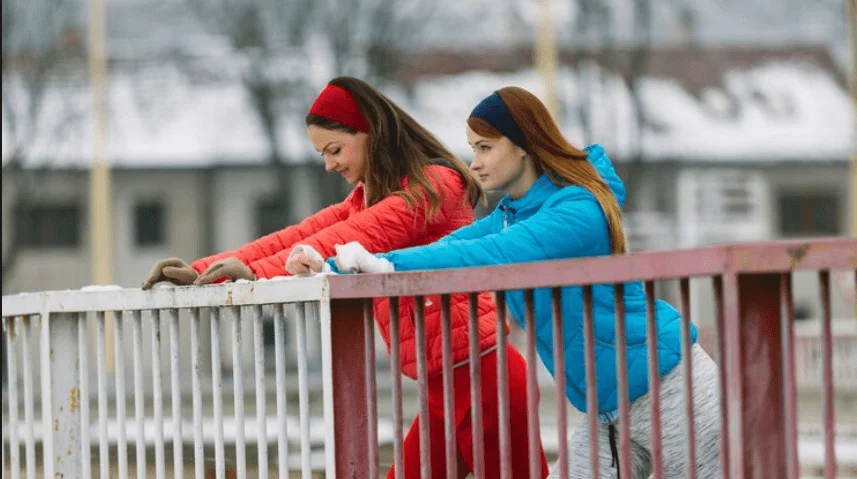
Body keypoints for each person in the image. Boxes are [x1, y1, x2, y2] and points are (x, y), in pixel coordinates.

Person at [141, 77, 548, 479]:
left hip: (483, 379)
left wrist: (255, 273)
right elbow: (297, 236)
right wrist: (201, 271)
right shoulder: (367, 199)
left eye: (334, 150)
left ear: (371, 131)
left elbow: (352, 237)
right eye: (323, 154)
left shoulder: (434, 186)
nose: (329, 164)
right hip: (445, 386)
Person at [324, 87, 722, 479]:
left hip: (671, 390)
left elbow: (493, 252)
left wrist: (385, 265)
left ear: (523, 145)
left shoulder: (578, 208)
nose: (475, 163)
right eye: (473, 149)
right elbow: (451, 246)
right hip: (609, 411)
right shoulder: (512, 214)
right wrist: (338, 264)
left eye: (485, 148)